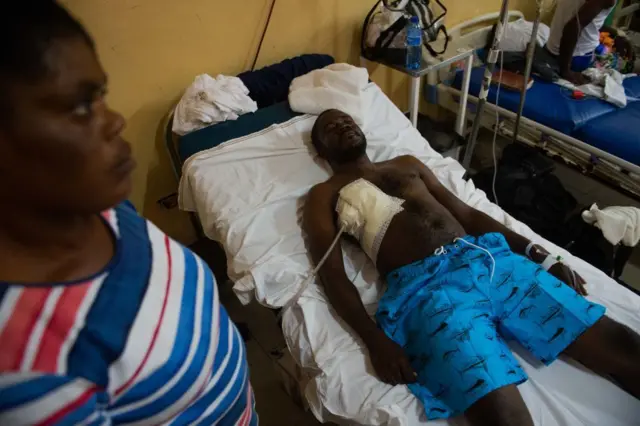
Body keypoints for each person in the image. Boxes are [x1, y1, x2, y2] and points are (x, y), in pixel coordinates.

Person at [0, 3, 256, 425]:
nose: (116, 121)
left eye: (99, 95)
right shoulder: (34, 374)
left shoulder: (99, 208)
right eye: (79, 107)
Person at [304, 109, 640, 425]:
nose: (343, 125)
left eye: (346, 119)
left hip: (488, 261)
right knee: (501, 417)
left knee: (624, 346)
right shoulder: (325, 194)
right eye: (330, 128)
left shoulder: (407, 164)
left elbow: (468, 215)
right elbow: (332, 274)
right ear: (321, 151)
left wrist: (540, 254)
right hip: (427, 294)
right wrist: (375, 341)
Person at [545, 0, 616, 84]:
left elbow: (591, 19)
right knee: (614, 61)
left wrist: (616, 35)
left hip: (551, 48)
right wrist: (565, 71)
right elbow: (574, 26)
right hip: (574, 58)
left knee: (609, 45)